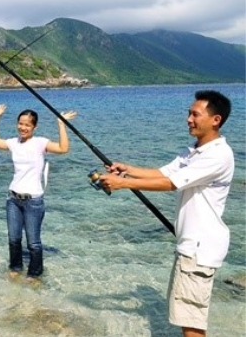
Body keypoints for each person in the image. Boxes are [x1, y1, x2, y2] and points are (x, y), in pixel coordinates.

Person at [100, 90, 233, 337]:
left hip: (199, 249)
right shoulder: (194, 150)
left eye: (195, 114)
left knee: (192, 325)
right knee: (187, 320)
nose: (189, 119)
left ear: (216, 120)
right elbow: (164, 173)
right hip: (190, 246)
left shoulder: (218, 155)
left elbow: (172, 184)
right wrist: (126, 170)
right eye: (189, 113)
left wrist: (123, 184)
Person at [0, 104, 77, 281]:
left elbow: (63, 148)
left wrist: (61, 124)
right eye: (20, 123)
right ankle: (15, 267)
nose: (23, 127)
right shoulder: (13, 143)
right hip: (13, 199)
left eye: (27, 124)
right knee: (14, 239)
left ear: (34, 127)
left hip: (33, 201)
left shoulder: (40, 143)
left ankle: (35, 274)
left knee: (33, 243)